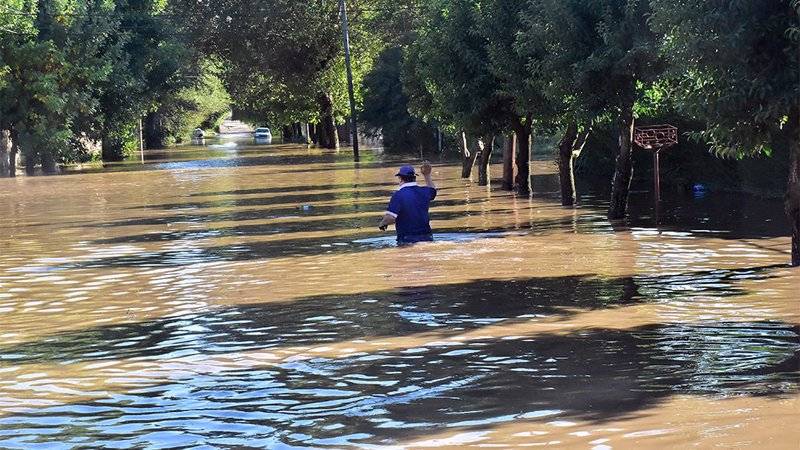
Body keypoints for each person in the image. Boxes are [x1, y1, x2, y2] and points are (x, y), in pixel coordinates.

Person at [378, 162, 437, 244]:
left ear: (400, 178)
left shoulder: (398, 195)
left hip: (407, 239)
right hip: (427, 237)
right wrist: (427, 175)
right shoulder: (424, 192)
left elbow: (390, 218)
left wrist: (382, 223)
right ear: (414, 178)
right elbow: (433, 191)